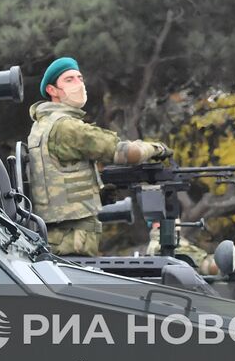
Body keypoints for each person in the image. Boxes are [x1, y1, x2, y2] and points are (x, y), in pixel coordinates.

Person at [26, 57, 171, 257]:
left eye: (80, 78)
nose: (78, 84)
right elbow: (127, 153)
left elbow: (58, 179)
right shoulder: (66, 127)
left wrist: (100, 192)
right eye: (69, 80)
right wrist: (157, 148)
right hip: (71, 240)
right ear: (52, 90)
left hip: (58, 236)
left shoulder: (41, 126)